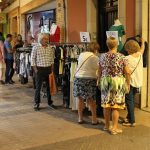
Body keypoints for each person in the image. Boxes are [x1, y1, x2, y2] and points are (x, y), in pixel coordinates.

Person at [99, 37, 130, 135]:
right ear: (117, 45)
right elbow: (127, 72)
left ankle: (107, 125)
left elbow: (99, 71)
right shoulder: (122, 57)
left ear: (107, 45)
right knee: (116, 106)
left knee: (106, 105)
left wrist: (99, 81)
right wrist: (128, 83)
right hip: (117, 82)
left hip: (105, 82)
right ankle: (114, 128)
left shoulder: (102, 56)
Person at [73, 42, 100, 124]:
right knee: (91, 100)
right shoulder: (95, 57)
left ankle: (80, 118)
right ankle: (94, 120)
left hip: (78, 78)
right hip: (89, 79)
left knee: (80, 99)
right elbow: (98, 68)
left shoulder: (81, 54)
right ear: (95, 49)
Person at [122, 38, 145, 127]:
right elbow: (142, 48)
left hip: (129, 82)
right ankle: (128, 117)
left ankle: (132, 121)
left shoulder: (126, 58)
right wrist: (143, 42)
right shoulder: (139, 55)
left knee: (129, 101)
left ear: (129, 49)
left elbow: (126, 71)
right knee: (131, 100)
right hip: (138, 82)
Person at [31, 33, 55, 110]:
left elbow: (52, 59)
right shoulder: (36, 47)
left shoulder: (50, 48)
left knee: (49, 87)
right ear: (40, 39)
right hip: (39, 69)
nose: (46, 40)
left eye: (47, 39)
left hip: (48, 69)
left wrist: (52, 70)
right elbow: (32, 59)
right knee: (38, 88)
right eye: (45, 39)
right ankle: (36, 103)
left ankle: (50, 102)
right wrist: (36, 70)